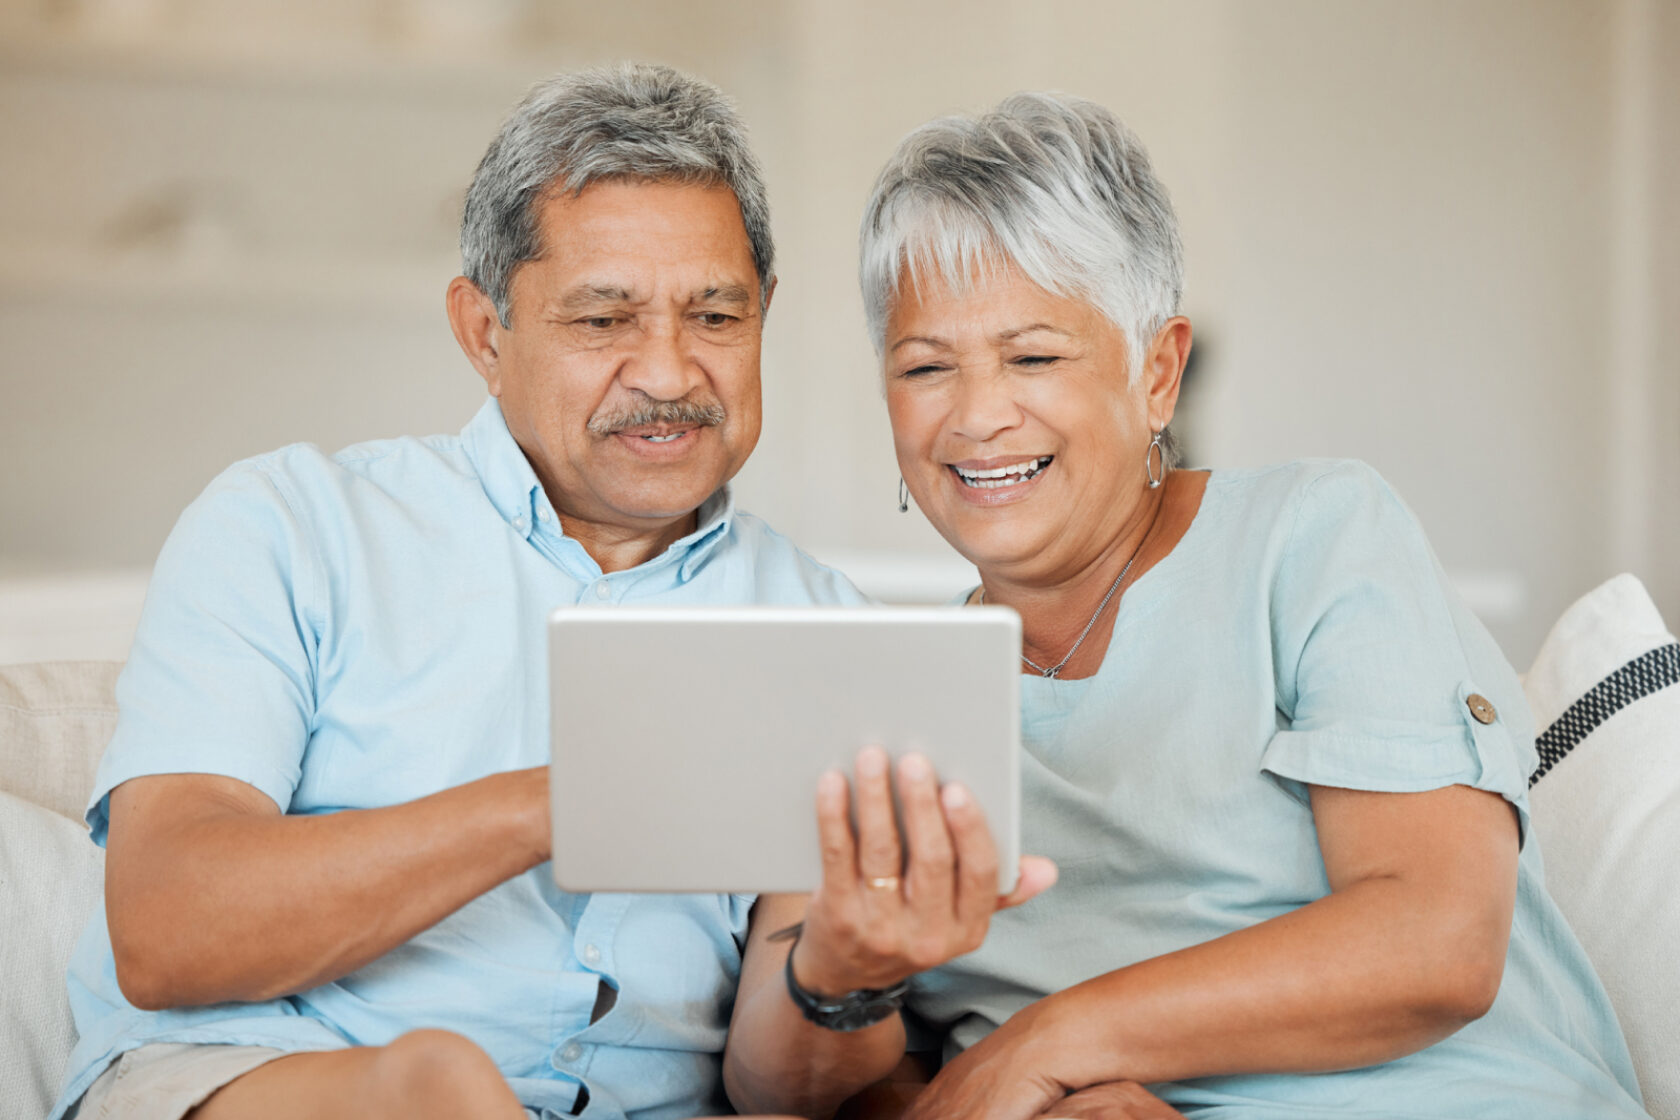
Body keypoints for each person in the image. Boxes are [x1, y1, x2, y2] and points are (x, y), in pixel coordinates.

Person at [722, 93, 1651, 1119]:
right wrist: (843, 979)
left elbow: (1437, 942)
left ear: (1156, 372)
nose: (978, 414)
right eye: (926, 367)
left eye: (1033, 356)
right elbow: (796, 1091)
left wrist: (1056, 1042)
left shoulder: (1316, 536)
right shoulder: (881, 690)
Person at [51, 63, 875, 1120]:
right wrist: (565, 798)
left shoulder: (828, 627)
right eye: (603, 321)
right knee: (436, 1090)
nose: (669, 372)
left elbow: (779, 1088)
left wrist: (848, 975)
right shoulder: (295, 524)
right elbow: (168, 930)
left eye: (715, 316)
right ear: (486, 333)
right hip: (268, 1076)